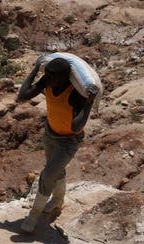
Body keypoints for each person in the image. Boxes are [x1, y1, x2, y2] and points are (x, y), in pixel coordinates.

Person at [15, 55, 98, 232]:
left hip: (68, 141)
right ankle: (57, 202)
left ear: (65, 77)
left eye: (54, 77)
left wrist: (88, 103)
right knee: (55, 170)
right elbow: (22, 96)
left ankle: (33, 216)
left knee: (47, 174)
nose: (50, 79)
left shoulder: (75, 93)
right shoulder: (47, 80)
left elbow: (76, 125)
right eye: (48, 76)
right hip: (51, 133)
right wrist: (36, 69)